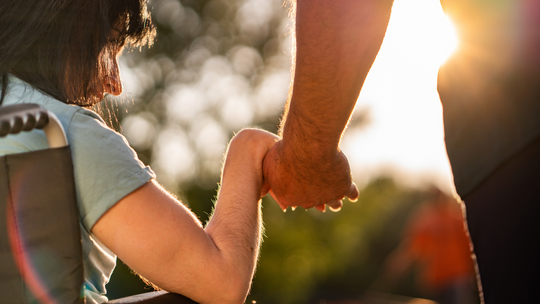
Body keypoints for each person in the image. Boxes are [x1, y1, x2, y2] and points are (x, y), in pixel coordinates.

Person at [0, 1, 278, 303]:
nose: (115, 84)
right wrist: (247, 151)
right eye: (110, 43)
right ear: (71, 28)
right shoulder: (61, 130)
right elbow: (221, 283)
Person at [263, 0, 540, 303]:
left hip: (514, 129)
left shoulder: (443, 217)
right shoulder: (432, 219)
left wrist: (309, 154)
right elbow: (414, 247)